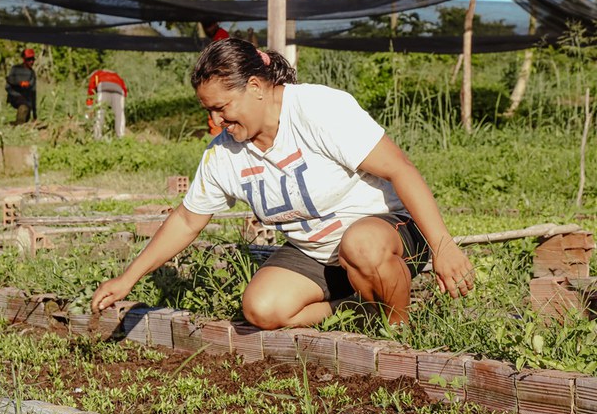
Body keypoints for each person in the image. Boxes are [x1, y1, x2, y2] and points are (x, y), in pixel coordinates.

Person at [91, 38, 474, 329]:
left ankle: (399, 333)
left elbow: (401, 169)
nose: (216, 120)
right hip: (318, 253)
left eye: (221, 108)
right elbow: (188, 220)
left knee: (361, 245)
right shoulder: (224, 153)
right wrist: (129, 279)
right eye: (208, 110)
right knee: (262, 308)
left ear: (256, 87)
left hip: (388, 232)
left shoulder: (318, 110)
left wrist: (443, 246)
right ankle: (357, 305)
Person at [201, 20, 230, 136]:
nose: (207, 30)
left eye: (208, 26)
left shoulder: (221, 36)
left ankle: (217, 135)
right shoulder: (217, 36)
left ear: (214, 25)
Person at [87, 69, 128, 139]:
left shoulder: (97, 74)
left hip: (104, 87)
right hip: (118, 90)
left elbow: (91, 89)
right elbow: (124, 89)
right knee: (119, 114)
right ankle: (121, 136)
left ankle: (97, 136)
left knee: (100, 112)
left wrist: (89, 106)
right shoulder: (116, 75)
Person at [5, 48, 37, 124]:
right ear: (24, 59)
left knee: (26, 119)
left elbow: (33, 92)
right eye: (29, 59)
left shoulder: (32, 73)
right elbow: (9, 81)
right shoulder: (15, 69)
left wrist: (35, 113)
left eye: (32, 59)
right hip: (15, 97)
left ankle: (13, 125)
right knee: (23, 107)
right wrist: (20, 83)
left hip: (26, 99)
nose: (31, 62)